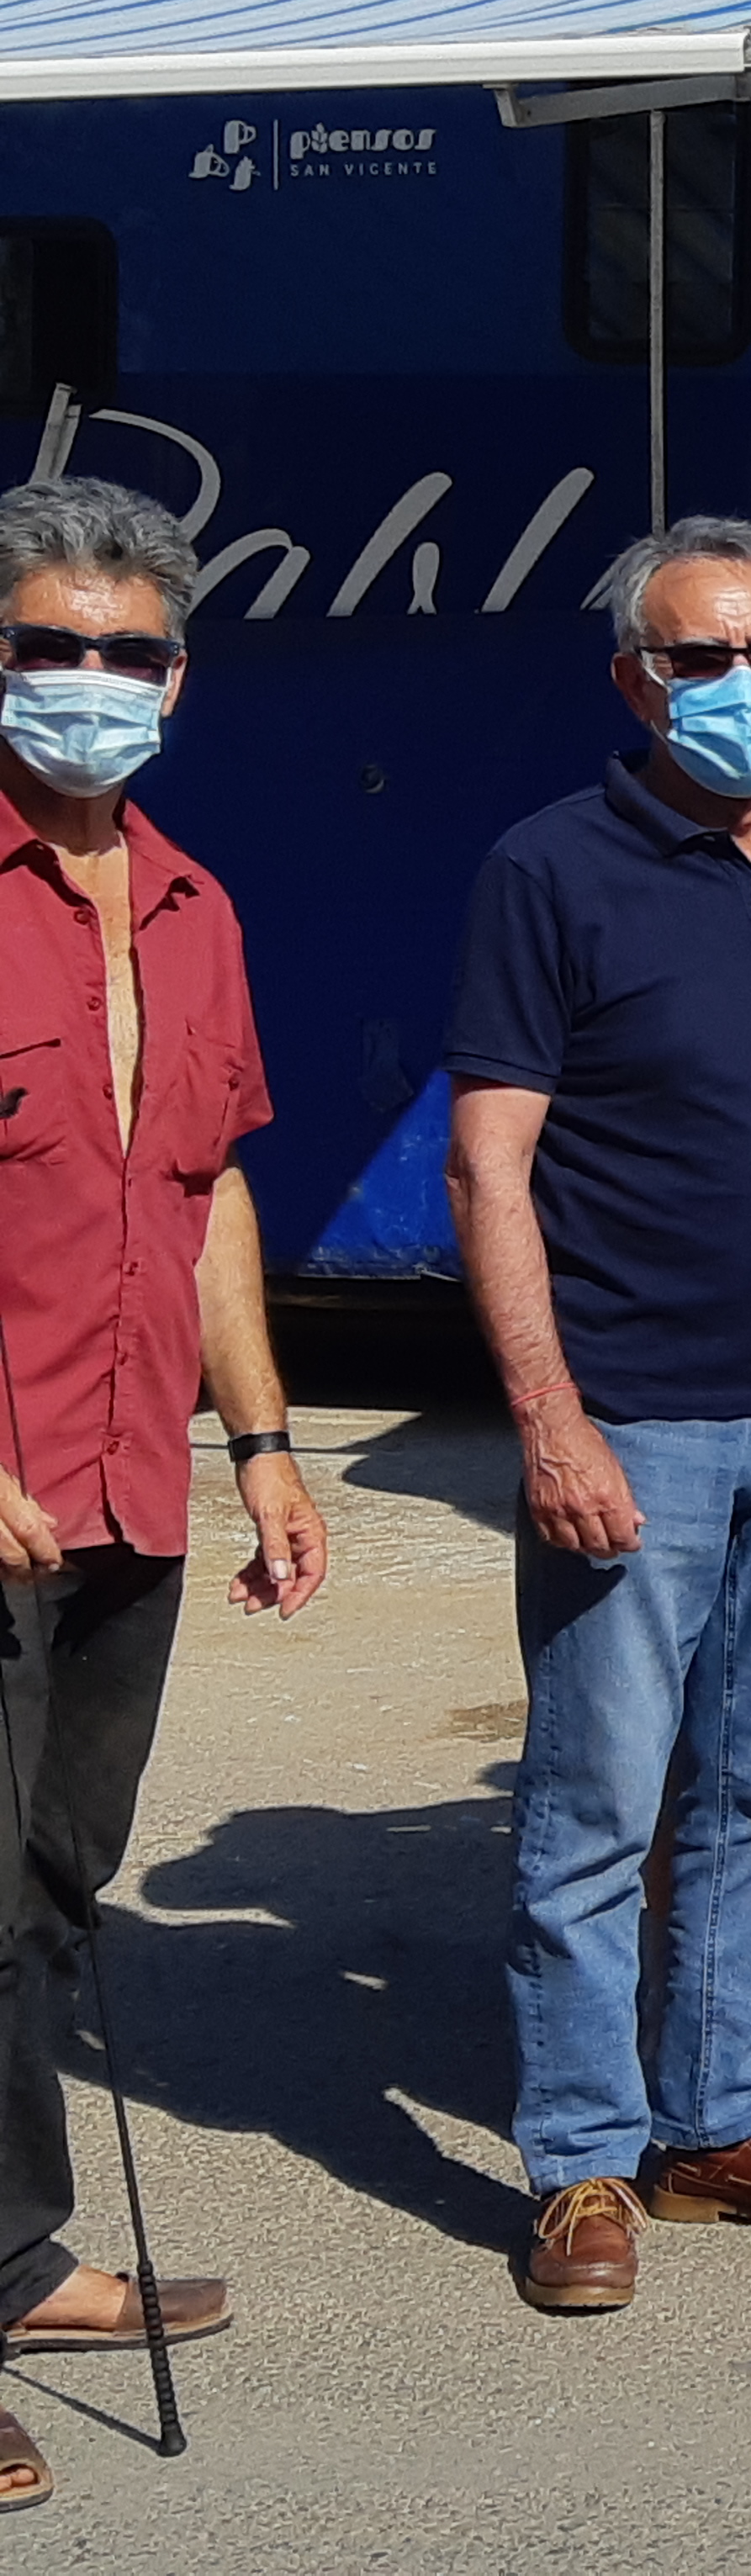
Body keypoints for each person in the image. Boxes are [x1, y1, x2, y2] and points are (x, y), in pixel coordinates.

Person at [447, 516, 751, 2313]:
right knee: (593, 1810)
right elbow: (491, 1166)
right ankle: (579, 2160)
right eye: (698, 658)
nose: (741, 687)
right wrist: (548, 1422)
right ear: (634, 681)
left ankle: (718, 2125)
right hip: (635, 1413)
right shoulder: (548, 867)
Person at [0, 478, 325, 2499]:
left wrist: (265, 1441)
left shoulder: (194, 908)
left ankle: (15, 2252)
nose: (90, 681)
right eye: (50, 646)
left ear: (179, 677)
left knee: (49, 1881)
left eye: (126, 653)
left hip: (128, 1489)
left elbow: (204, 1191)